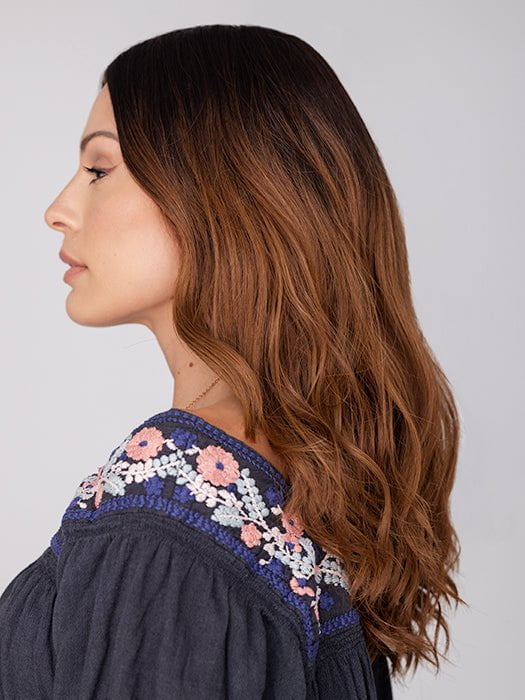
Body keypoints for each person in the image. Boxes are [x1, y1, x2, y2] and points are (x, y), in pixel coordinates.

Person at [0, 24, 465, 698]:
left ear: (222, 191)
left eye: (99, 169)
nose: (58, 210)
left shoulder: (172, 516)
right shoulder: (299, 480)